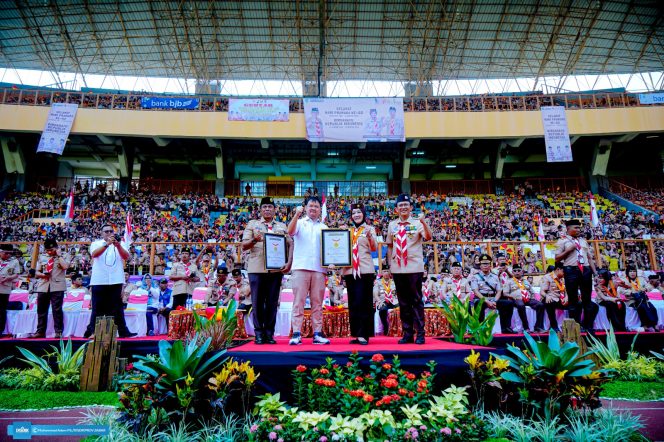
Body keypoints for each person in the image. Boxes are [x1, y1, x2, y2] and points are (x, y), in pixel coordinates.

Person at [242, 196, 293, 344]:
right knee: (257, 302)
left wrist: (288, 263)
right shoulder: (253, 224)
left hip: (276, 269)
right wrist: (254, 240)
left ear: (274, 209)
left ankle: (269, 333)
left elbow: (289, 244)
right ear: (260, 210)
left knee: (271, 302)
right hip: (256, 268)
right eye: (264, 207)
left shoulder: (282, 226)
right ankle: (259, 333)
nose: (267, 209)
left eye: (270, 207)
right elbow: (244, 245)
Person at [385, 193, 432, 344]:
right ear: (396, 209)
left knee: (416, 301)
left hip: (413, 267)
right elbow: (390, 246)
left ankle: (420, 333)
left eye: (406, 205)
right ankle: (407, 333)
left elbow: (428, 237)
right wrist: (390, 266)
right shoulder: (392, 225)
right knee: (403, 302)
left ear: (411, 207)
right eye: (400, 205)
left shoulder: (418, 223)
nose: (403, 207)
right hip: (398, 268)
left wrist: (424, 222)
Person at [287, 196, 330, 345]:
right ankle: (296, 333)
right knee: (298, 302)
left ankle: (317, 333)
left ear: (320, 210)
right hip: (300, 268)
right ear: (305, 208)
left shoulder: (324, 228)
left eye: (316, 206)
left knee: (317, 303)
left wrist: (331, 262)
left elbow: (329, 250)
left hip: (319, 269)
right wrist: (296, 215)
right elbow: (290, 232)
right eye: (310, 206)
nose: (313, 208)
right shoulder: (299, 223)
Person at [84, 224, 137, 338]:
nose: (108, 233)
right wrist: (106, 244)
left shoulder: (120, 243)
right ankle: (93, 331)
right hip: (99, 280)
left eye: (110, 231)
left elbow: (126, 256)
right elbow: (94, 254)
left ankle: (123, 332)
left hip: (116, 279)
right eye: (106, 231)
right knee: (97, 307)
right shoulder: (96, 243)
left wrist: (117, 245)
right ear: (101, 233)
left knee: (118, 308)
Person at [340, 203, 377, 345]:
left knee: (364, 302)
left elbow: (373, 248)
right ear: (351, 216)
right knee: (354, 302)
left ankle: (364, 334)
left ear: (363, 214)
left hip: (365, 269)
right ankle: (356, 333)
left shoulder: (369, 229)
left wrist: (369, 237)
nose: (356, 215)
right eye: (354, 213)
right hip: (350, 271)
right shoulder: (347, 231)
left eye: (359, 212)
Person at [554, 219, 599, 332]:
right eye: (576, 228)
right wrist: (568, 250)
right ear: (568, 229)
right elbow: (557, 258)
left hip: (586, 269)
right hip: (571, 270)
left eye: (579, 228)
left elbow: (589, 258)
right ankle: (576, 327)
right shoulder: (562, 241)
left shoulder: (583, 241)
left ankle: (588, 326)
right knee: (573, 300)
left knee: (587, 299)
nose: (579, 230)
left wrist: (595, 273)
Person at [30, 238, 70, 338]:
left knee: (57, 310)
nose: (49, 252)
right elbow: (37, 271)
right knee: (41, 310)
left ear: (56, 248)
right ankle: (40, 331)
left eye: (51, 250)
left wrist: (59, 255)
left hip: (57, 286)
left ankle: (58, 332)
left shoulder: (64, 255)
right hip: (43, 286)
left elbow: (65, 267)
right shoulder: (43, 257)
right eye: (47, 250)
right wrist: (42, 275)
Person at [470, 254, 515, 334]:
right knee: (479, 305)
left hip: (493, 299)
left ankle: (506, 327)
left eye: (487, 264)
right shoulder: (475, 277)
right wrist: (487, 301)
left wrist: (494, 301)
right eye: (483, 264)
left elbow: (498, 291)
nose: (485, 266)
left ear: (490, 265)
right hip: (481, 299)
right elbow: (476, 291)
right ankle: (479, 329)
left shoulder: (495, 276)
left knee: (509, 304)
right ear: (480, 265)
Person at [501, 264, 546, 333]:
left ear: (522, 272)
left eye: (519, 270)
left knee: (540, 305)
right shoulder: (509, 281)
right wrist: (512, 297)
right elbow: (505, 293)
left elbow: (532, 292)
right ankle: (526, 327)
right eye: (515, 271)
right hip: (516, 299)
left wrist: (533, 298)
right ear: (512, 272)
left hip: (528, 299)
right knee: (521, 305)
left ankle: (538, 327)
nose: (517, 272)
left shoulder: (526, 281)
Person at [618, 266, 658, 332]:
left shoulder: (640, 279)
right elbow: (621, 290)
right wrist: (631, 292)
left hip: (642, 298)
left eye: (634, 271)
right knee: (642, 307)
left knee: (652, 307)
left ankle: (654, 324)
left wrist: (645, 289)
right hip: (631, 300)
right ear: (627, 273)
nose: (632, 273)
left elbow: (649, 286)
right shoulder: (624, 280)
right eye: (630, 271)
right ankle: (646, 325)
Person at [539, 263, 569, 331]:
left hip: (561, 299)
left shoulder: (562, 278)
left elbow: (567, 290)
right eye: (563, 271)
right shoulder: (547, 277)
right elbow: (542, 292)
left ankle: (577, 325)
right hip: (550, 298)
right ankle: (554, 327)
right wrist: (547, 296)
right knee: (550, 302)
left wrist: (566, 297)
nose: (564, 273)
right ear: (558, 269)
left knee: (577, 304)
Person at [0, 244, 21, 338]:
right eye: (6, 253)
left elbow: (16, 274)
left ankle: (0, 330)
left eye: (10, 254)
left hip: (5, 288)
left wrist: (8, 278)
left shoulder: (14, 261)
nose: (8, 255)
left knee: (1, 310)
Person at [373, 266, 398, 335]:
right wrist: (379, 301)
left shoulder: (394, 282)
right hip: (383, 301)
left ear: (390, 272)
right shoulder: (378, 282)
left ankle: (400, 329)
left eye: (387, 271)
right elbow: (375, 294)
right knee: (382, 310)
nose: (386, 273)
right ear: (381, 273)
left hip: (394, 301)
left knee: (404, 309)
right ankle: (386, 328)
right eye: (384, 271)